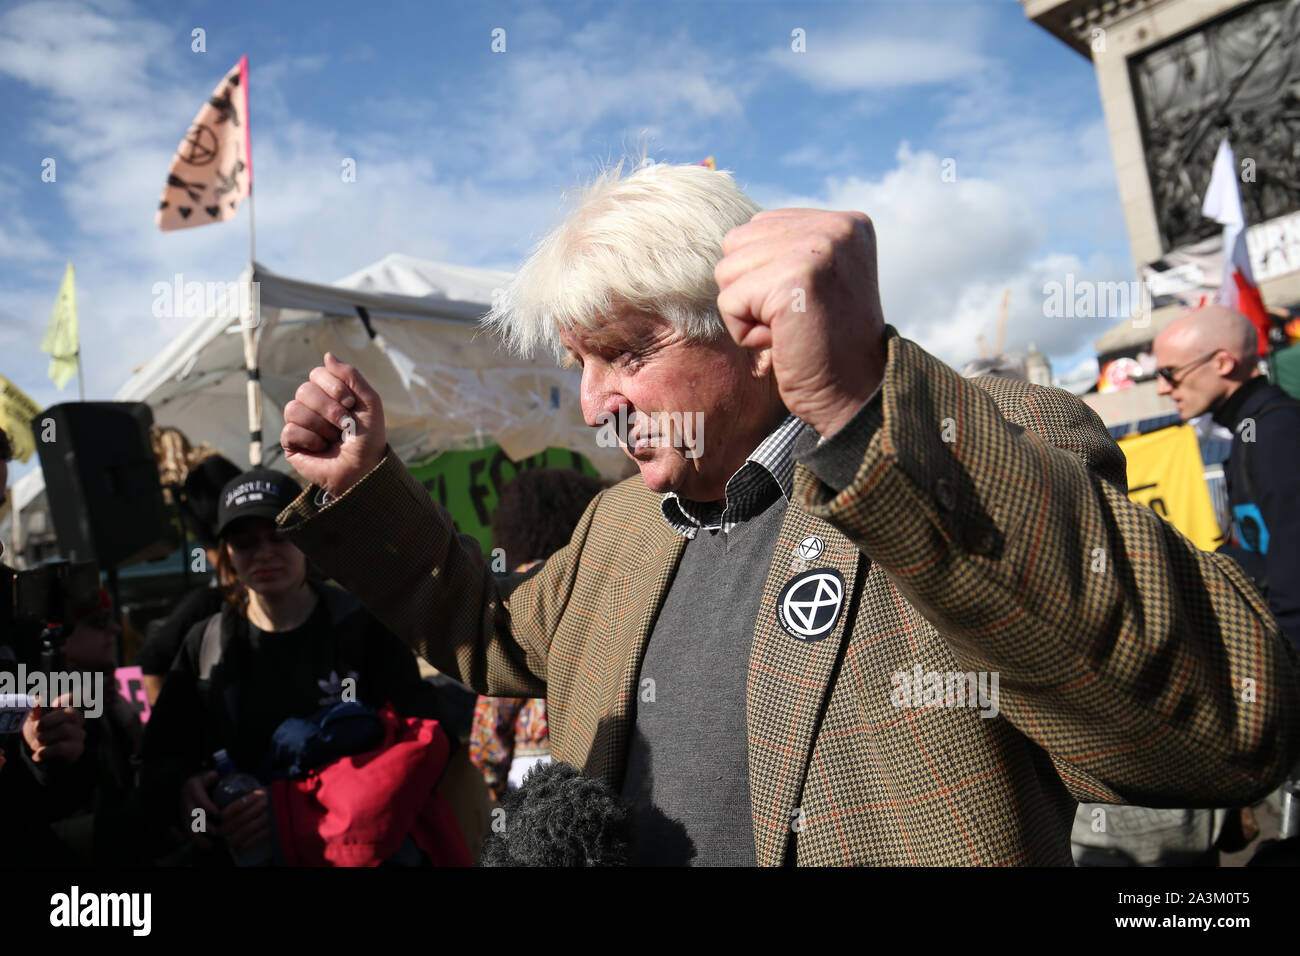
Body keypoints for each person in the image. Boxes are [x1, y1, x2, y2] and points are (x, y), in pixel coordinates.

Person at [277, 160, 1300, 866]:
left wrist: (869, 412)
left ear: (753, 328)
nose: (595, 405)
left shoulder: (985, 445)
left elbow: (1220, 733)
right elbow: (489, 632)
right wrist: (364, 486)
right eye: (581, 364)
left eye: (628, 351)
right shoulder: (618, 526)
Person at [142, 467, 467, 865]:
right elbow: (157, 759)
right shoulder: (206, 644)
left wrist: (291, 808)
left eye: (280, 535)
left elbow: (426, 740)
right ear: (226, 552)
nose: (264, 553)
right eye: (245, 542)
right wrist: (185, 787)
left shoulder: (361, 627)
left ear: (307, 540)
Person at [1154, 304, 1300, 650]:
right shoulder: (1254, 429)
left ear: (1222, 363)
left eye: (1170, 372)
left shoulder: (1278, 431)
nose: (1162, 387)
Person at [470, 467, 604, 800]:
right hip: (597, 753)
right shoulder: (594, 580)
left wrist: (492, 778)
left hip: (532, 773)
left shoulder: (520, 588)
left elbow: (494, 710)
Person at [135, 454, 241, 707]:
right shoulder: (208, 605)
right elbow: (151, 662)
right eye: (247, 544)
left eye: (275, 538)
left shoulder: (213, 470)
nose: (265, 553)